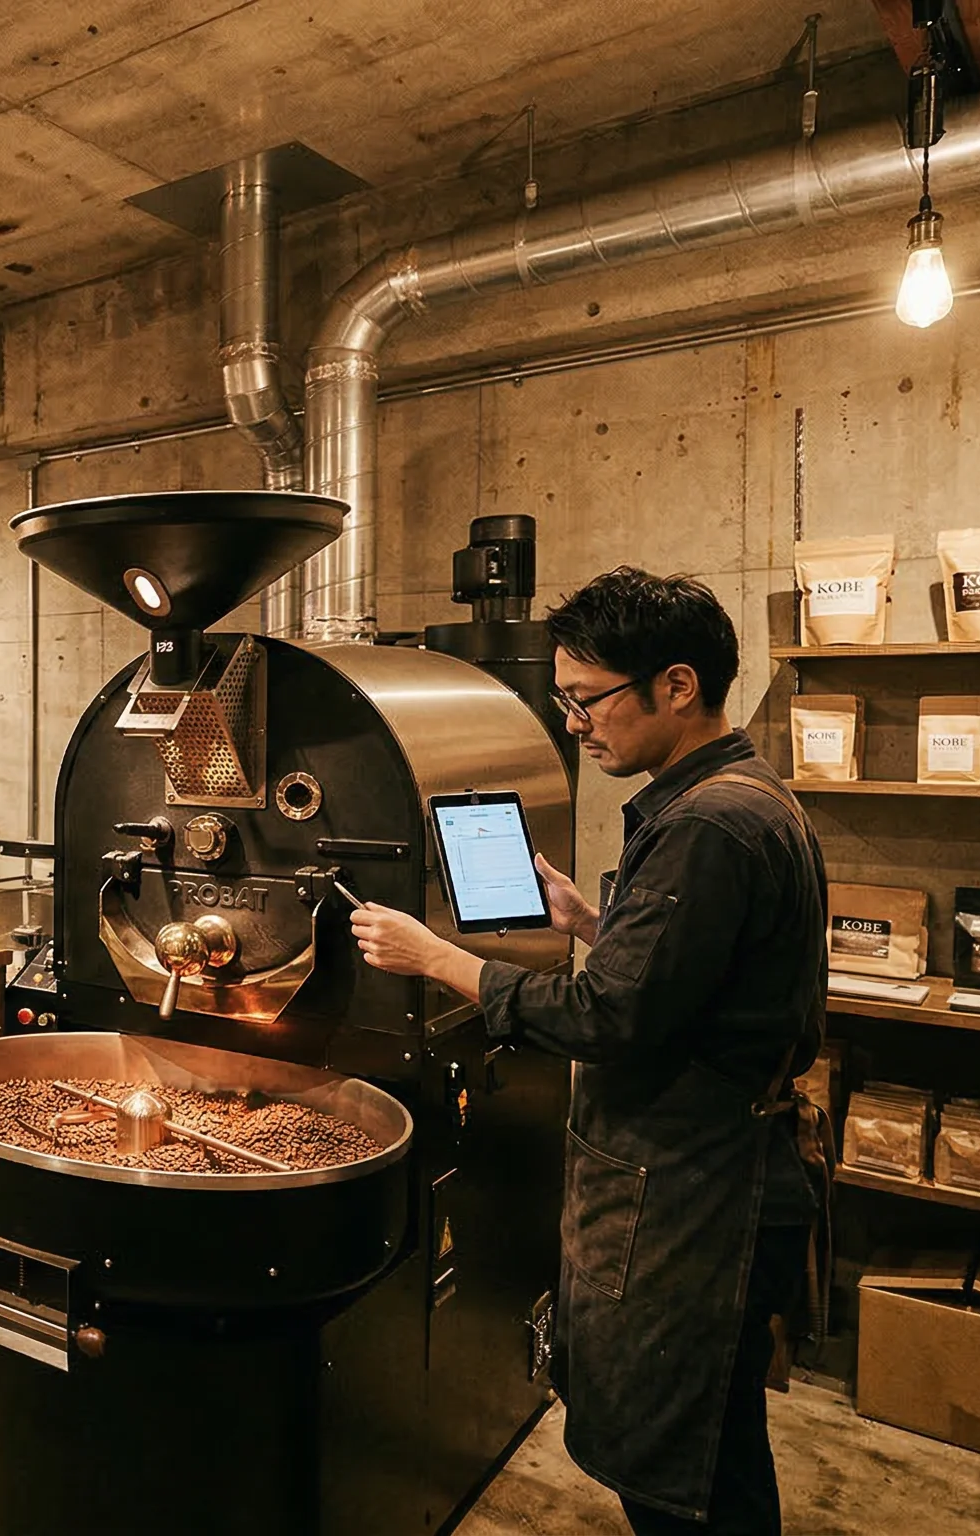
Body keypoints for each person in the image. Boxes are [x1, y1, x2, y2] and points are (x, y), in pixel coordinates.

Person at [348, 568, 825, 1536]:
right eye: (563, 700)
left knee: (677, 1467)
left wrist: (438, 959)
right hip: (712, 1169)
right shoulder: (742, 794)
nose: (574, 722)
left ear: (677, 685)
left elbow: (609, 1018)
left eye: (588, 698)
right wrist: (597, 923)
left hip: (693, 1193)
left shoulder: (708, 825)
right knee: (712, 1441)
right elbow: (692, 988)